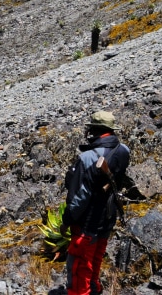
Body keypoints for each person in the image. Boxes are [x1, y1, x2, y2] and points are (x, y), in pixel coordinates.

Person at [61, 110, 131, 295]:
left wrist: (67, 220)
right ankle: (95, 290)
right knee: (95, 260)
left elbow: (80, 197)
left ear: (95, 130)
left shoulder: (87, 158)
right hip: (107, 217)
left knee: (79, 267)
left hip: (87, 223)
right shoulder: (124, 151)